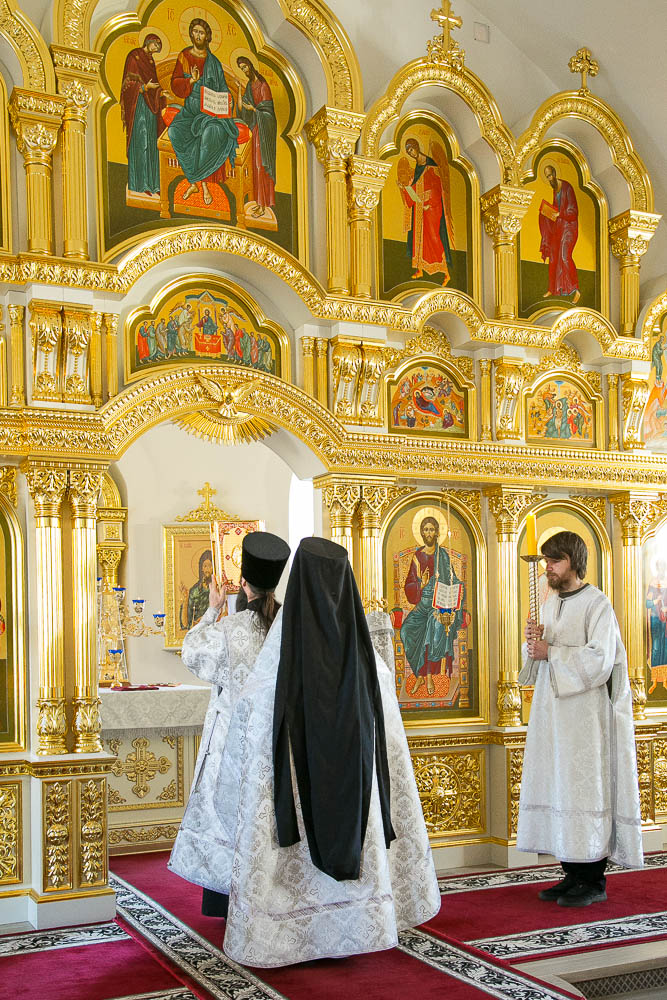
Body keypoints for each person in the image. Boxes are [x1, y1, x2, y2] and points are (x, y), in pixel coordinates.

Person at [174, 536, 439, 967]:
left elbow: (255, 715)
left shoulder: (282, 646)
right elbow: (388, 729)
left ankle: (297, 930)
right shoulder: (364, 652)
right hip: (353, 782)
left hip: (293, 779)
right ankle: (354, 922)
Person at [518, 530, 643, 907]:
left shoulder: (597, 604)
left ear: (574, 560)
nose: (548, 567)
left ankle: (593, 881)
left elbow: (600, 660)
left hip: (586, 720)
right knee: (561, 787)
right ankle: (571, 874)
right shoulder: (550, 602)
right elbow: (538, 658)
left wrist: (551, 652)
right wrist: (532, 644)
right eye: (546, 560)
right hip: (554, 716)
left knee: (585, 790)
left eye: (555, 560)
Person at [170, 531, 291, 919]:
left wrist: (212, 610)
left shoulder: (231, 629)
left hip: (232, 743)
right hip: (277, 740)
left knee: (228, 814)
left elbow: (192, 651)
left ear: (243, 584)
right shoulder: (288, 626)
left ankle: (224, 898)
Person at [168, 18, 239, 207]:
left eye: (202, 32)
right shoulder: (184, 56)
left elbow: (223, 88)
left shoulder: (214, 63)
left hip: (210, 112)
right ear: (191, 34)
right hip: (190, 110)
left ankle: (201, 186)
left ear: (207, 36)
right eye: (195, 32)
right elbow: (175, 84)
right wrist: (191, 81)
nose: (198, 36)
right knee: (174, 131)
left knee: (209, 134)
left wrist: (228, 100)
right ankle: (195, 183)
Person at [400, 515, 464, 696]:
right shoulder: (417, 557)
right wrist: (420, 583)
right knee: (406, 630)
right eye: (426, 529)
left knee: (432, 626)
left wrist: (456, 593)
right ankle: (419, 674)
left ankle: (427, 676)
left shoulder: (442, 556)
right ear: (422, 532)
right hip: (422, 603)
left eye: (432, 529)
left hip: (439, 604)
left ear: (437, 532)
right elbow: (409, 585)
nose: (429, 533)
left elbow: (453, 579)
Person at [398, 138, 453, 283]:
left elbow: (437, 188)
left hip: (432, 208)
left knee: (434, 237)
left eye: (412, 149)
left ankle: (446, 272)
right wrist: (405, 188)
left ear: (417, 147)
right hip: (420, 208)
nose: (411, 153)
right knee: (418, 238)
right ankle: (420, 269)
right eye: (409, 152)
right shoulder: (418, 168)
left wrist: (430, 203)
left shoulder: (431, 165)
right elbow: (416, 189)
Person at [119, 34, 165, 195]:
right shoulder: (134, 56)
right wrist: (144, 88)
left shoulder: (151, 62)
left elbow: (155, 85)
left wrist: (160, 93)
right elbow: (128, 83)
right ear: (149, 41)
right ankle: (140, 183)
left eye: (158, 47)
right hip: (138, 105)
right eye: (155, 45)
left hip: (150, 107)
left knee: (152, 143)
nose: (156, 49)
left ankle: (154, 185)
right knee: (141, 141)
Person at [236, 56, 277, 219]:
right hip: (255, 129)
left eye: (245, 67)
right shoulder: (249, 86)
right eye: (241, 69)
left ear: (250, 66)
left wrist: (254, 109)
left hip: (265, 132)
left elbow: (269, 113)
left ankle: (263, 205)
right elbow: (242, 109)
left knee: (261, 166)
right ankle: (259, 203)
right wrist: (238, 91)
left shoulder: (263, 85)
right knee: (256, 166)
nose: (244, 71)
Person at [539, 163, 580, 303]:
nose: (549, 179)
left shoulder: (567, 187)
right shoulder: (555, 190)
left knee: (564, 255)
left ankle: (575, 289)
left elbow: (573, 211)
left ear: (555, 174)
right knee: (553, 255)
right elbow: (556, 210)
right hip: (559, 227)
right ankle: (553, 288)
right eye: (547, 177)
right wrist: (547, 213)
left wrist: (559, 214)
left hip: (569, 228)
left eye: (550, 175)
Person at [181, 549, 214, 630]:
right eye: (205, 566)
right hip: (198, 630)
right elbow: (186, 623)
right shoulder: (194, 591)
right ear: (201, 568)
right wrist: (186, 598)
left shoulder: (218, 589)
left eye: (210, 566)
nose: (207, 569)